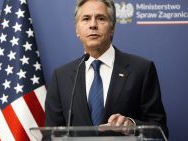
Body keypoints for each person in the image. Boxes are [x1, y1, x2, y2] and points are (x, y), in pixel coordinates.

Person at [45, 0, 168, 138]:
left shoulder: (141, 69)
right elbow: (50, 135)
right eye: (85, 19)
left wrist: (132, 126)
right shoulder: (61, 76)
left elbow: (160, 129)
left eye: (101, 18)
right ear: (77, 30)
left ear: (112, 27)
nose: (93, 25)